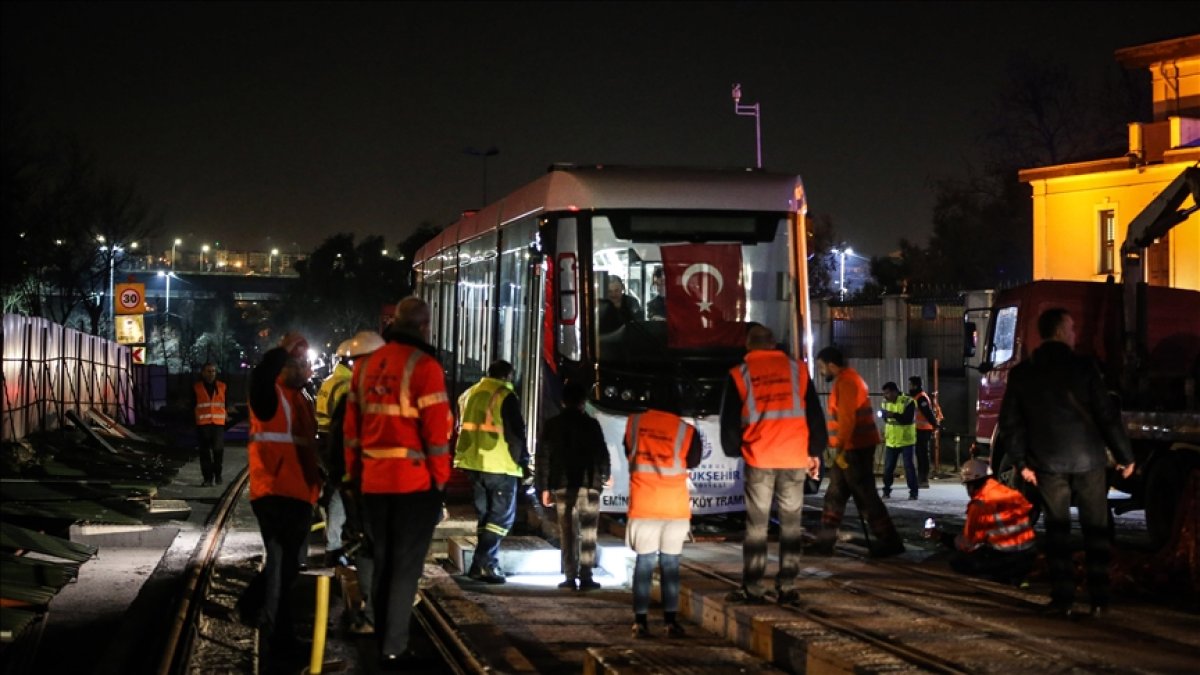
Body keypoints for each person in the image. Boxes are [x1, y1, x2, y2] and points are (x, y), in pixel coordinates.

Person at [997, 307, 1135, 617]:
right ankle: (1099, 599)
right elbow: (1107, 416)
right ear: (1060, 331)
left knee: (1057, 530)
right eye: (1071, 328)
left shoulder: (1023, 372)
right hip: (1089, 461)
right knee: (1096, 529)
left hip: (1047, 463)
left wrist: (1021, 462)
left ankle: (1063, 598)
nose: (1074, 334)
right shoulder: (1084, 367)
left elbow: (1010, 423)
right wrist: (1125, 456)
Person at [344, 297, 453, 667]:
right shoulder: (425, 367)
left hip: (373, 483)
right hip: (413, 484)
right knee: (406, 567)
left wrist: (355, 477)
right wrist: (439, 483)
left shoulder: (365, 367)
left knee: (383, 560)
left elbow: (350, 433)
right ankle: (393, 646)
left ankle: (380, 636)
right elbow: (437, 436)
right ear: (423, 327)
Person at [720, 324, 825, 604]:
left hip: (760, 457)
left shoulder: (740, 374)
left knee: (757, 525)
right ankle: (788, 585)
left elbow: (729, 422)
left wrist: (734, 449)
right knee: (791, 525)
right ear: (774, 344)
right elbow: (814, 413)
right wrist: (814, 452)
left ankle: (753, 586)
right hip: (793, 457)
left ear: (748, 346)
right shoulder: (797, 371)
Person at [237, 333, 322, 667]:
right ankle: (276, 637)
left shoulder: (300, 398)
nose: (307, 368)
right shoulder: (269, 395)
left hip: (298, 493)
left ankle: (262, 616)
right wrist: (283, 349)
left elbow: (304, 446)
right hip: (275, 492)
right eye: (300, 362)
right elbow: (260, 374)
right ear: (284, 366)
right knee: (281, 567)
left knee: (284, 569)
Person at [315, 330, 384, 630]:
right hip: (383, 484)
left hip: (357, 480)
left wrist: (341, 477)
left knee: (367, 543)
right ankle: (383, 613)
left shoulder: (342, 388)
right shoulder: (352, 390)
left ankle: (372, 609)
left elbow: (339, 441)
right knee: (378, 546)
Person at [812, 346, 905, 557]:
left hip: (854, 451)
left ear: (832, 366)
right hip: (852, 450)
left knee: (865, 497)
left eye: (821, 367)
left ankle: (890, 541)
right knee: (835, 495)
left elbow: (847, 420)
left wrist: (841, 450)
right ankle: (825, 542)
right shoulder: (847, 381)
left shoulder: (847, 383)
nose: (820, 371)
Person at [624, 404, 702, 638]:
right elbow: (694, 461)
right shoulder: (685, 431)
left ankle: (640, 622)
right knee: (670, 566)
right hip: (674, 507)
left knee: (644, 564)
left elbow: (629, 451)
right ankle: (670, 622)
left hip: (644, 504)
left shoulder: (635, 423)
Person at [454, 359, 531, 584]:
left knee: (486, 516)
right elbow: (515, 434)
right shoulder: (504, 395)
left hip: (473, 463)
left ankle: (483, 565)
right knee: (501, 517)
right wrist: (524, 463)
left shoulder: (469, 393)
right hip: (499, 464)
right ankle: (484, 563)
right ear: (507, 376)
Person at [536, 379, 612, 591]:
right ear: (583, 402)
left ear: (563, 401)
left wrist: (544, 487)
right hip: (589, 486)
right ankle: (586, 577)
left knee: (567, 532)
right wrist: (605, 475)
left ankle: (570, 577)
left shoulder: (552, 425)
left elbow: (544, 457)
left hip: (562, 486)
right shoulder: (592, 424)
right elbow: (601, 453)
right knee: (588, 534)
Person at [936, 459, 1036, 585]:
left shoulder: (980, 504)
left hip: (1007, 558)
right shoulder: (1008, 492)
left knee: (957, 560)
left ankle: (997, 577)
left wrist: (942, 537)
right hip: (1028, 555)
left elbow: (968, 544)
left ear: (971, 485)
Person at [879, 381, 919, 500]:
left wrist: (894, 415)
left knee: (908, 467)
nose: (885, 396)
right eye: (884, 393)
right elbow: (885, 418)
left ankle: (913, 492)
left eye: (887, 393)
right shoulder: (885, 403)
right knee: (888, 468)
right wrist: (886, 416)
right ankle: (886, 491)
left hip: (906, 441)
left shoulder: (908, 401)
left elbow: (907, 419)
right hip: (891, 441)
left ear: (895, 392)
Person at [192, 362, 227, 486]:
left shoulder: (222, 387)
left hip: (218, 424)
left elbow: (226, 404)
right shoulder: (196, 388)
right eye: (208, 371)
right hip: (203, 424)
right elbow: (192, 406)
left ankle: (218, 475)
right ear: (203, 373)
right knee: (205, 453)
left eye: (213, 371)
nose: (211, 373)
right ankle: (208, 478)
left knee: (218, 451)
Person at [908, 376, 941, 488]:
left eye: (911, 384)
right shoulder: (917, 397)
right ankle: (921, 478)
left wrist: (935, 424)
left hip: (924, 430)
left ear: (915, 385)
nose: (909, 387)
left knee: (922, 455)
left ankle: (923, 479)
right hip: (919, 429)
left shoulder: (921, 398)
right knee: (920, 454)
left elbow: (928, 413)